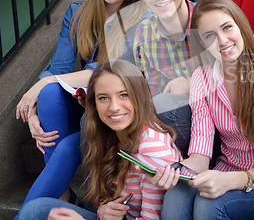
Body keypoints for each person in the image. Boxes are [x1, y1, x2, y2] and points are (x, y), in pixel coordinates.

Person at [14, 0, 148, 215]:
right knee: (51, 94)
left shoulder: (137, 19)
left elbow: (104, 71)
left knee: (64, 144)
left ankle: (59, 195)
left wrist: (39, 86)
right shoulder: (77, 11)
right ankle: (63, 192)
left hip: (115, 106)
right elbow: (58, 68)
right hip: (85, 100)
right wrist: (35, 111)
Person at [160, 0, 254, 220]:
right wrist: (172, 171)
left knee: (208, 204)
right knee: (176, 194)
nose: (222, 41)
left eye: (227, 27)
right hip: (224, 171)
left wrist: (230, 181)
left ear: (240, 26)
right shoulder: (202, 78)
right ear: (201, 42)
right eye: (210, 35)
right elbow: (201, 155)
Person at [17, 59, 181, 220]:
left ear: (140, 97)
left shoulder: (152, 148)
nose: (114, 107)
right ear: (93, 103)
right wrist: (102, 212)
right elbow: (105, 199)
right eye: (103, 98)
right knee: (34, 210)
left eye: (123, 95)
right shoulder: (107, 134)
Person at [131, 0, 198, 156]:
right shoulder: (144, 34)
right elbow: (151, 92)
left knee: (165, 103)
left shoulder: (211, 22)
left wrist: (194, 87)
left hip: (218, 127)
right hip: (171, 129)